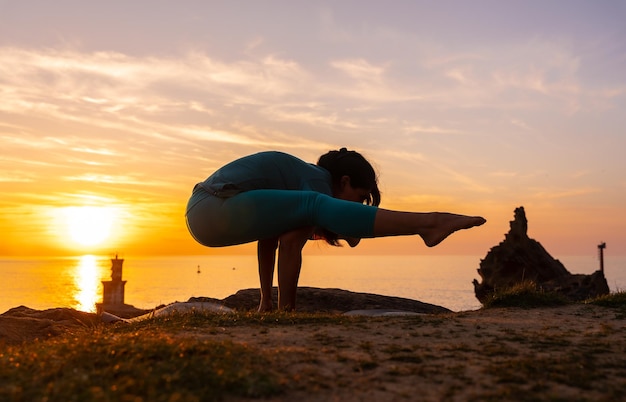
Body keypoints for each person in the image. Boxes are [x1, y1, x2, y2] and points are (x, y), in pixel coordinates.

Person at [185, 148, 485, 312]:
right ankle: (429, 223)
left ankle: (269, 305)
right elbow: (290, 246)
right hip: (214, 206)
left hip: (205, 212)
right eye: (358, 200)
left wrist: (266, 302)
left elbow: (270, 240)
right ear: (342, 182)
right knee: (312, 205)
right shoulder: (315, 182)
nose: (355, 208)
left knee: (296, 215)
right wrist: (287, 311)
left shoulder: (299, 180)